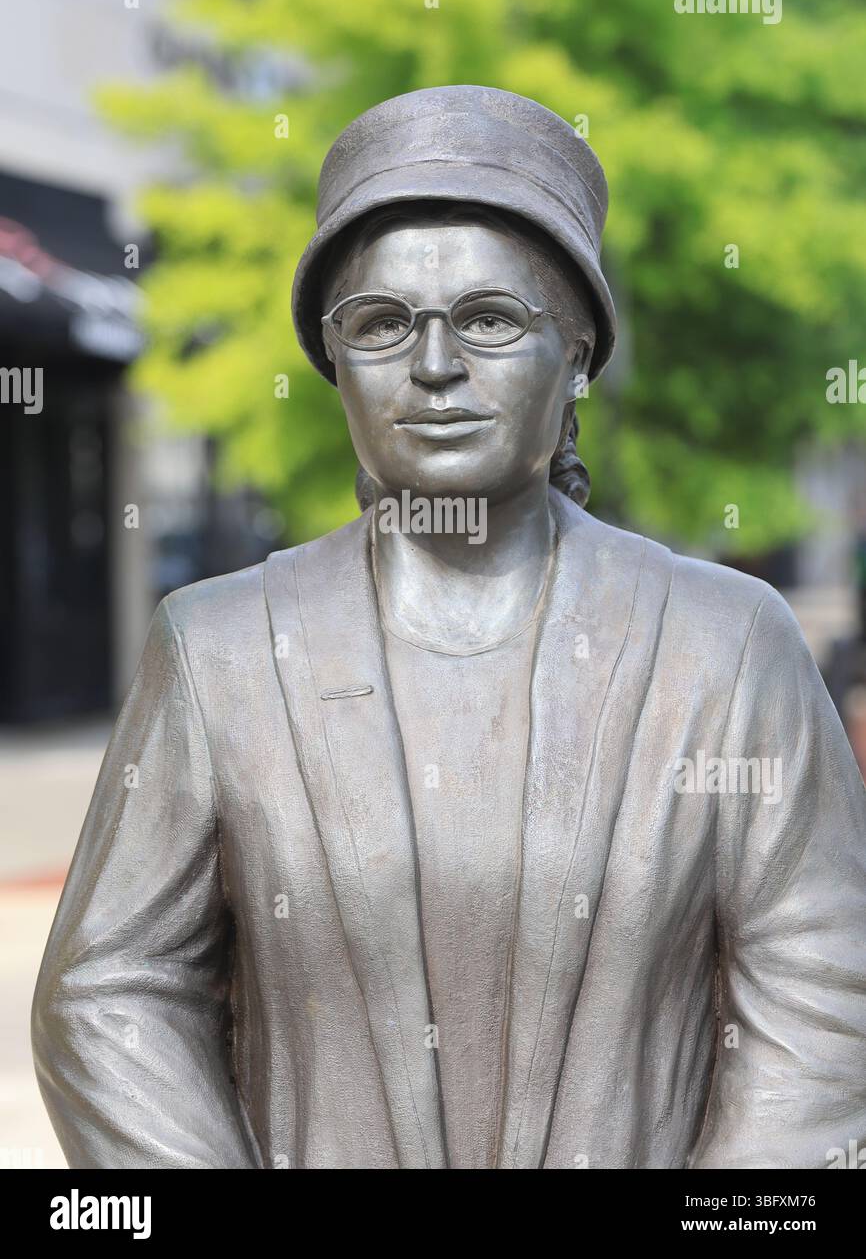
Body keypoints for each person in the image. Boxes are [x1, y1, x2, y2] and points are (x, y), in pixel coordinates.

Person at [33, 86, 866, 1169]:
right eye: (382, 324)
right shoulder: (220, 649)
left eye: (488, 319)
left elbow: (825, 996)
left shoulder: (726, 646)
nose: (433, 365)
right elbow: (110, 990)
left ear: (577, 354)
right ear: (335, 361)